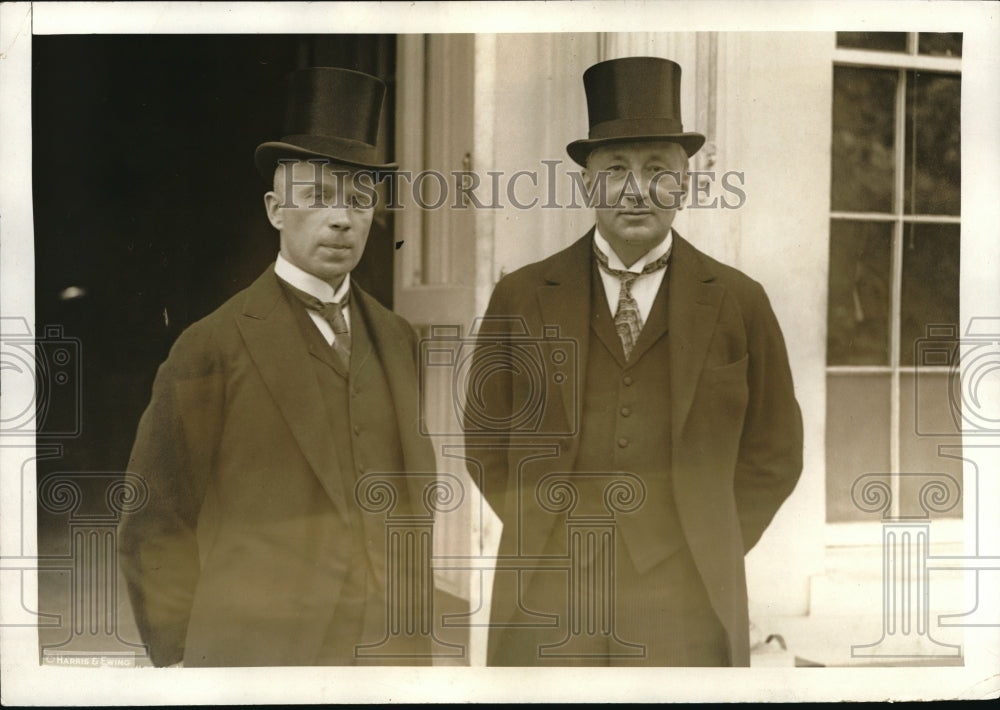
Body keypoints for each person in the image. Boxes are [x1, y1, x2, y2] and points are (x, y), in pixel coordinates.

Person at [466, 56, 803, 666]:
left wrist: (711, 539)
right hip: (550, 589)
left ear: (688, 184)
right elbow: (484, 441)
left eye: (658, 170)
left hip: (687, 594)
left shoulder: (739, 301)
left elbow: (776, 452)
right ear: (587, 183)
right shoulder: (521, 295)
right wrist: (542, 529)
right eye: (615, 169)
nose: (636, 189)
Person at [118, 67, 437, 667]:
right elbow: (153, 518)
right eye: (318, 197)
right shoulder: (210, 346)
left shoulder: (397, 338)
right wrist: (182, 654)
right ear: (274, 210)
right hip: (257, 655)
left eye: (359, 200)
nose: (341, 218)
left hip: (388, 655)